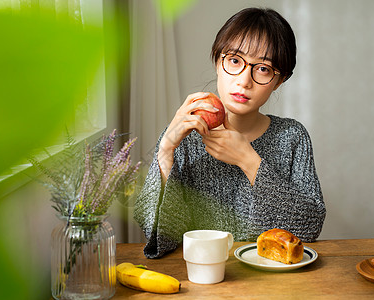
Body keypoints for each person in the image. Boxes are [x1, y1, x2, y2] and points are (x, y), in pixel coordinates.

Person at [134, 7, 326, 259]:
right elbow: (160, 237)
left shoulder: (292, 136)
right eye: (235, 61)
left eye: (263, 69)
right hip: (201, 280)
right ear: (217, 62)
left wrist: (249, 161)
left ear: (280, 80)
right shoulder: (184, 137)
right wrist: (165, 152)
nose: (245, 80)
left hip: (273, 284)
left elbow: (309, 228)